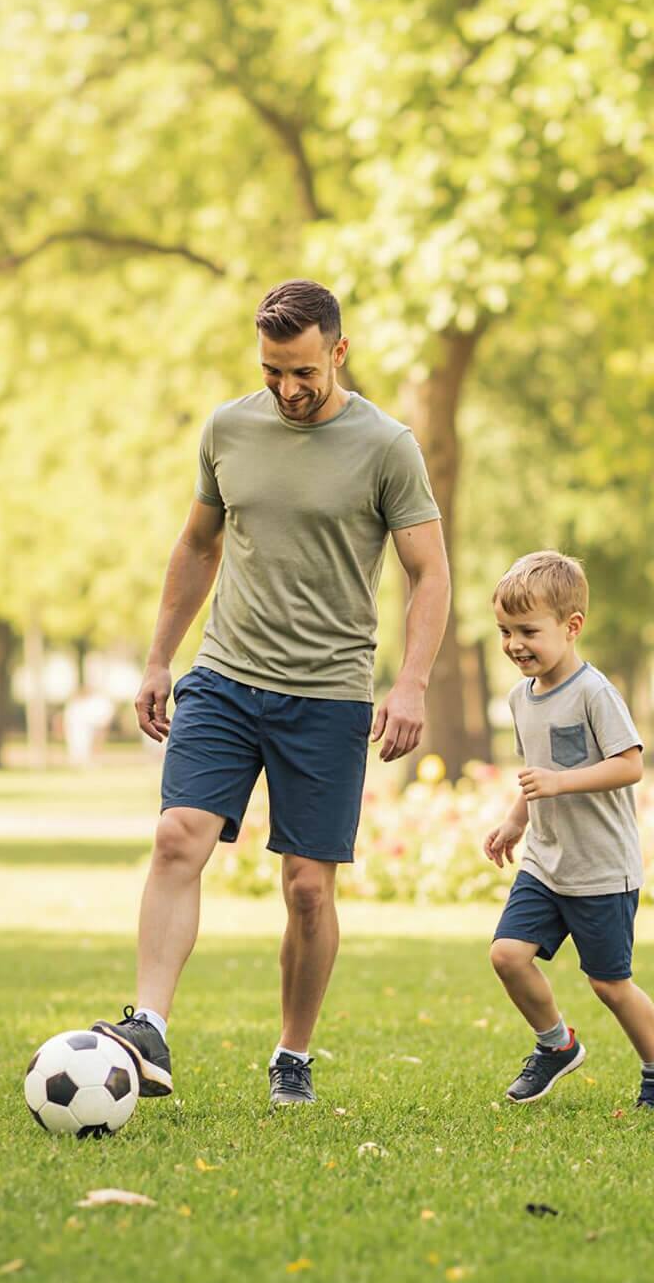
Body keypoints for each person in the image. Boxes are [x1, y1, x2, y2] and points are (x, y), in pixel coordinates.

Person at [92, 279, 451, 1107]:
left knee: (306, 888)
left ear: (338, 351)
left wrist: (411, 683)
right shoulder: (228, 428)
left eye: (303, 373)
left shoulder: (387, 445)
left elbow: (428, 572)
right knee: (178, 837)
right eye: (271, 372)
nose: (288, 390)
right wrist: (158, 660)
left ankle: (293, 1051)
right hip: (225, 676)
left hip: (328, 694)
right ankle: (149, 1026)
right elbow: (196, 545)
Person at [481, 551, 652, 1105]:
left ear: (571, 626)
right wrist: (514, 819)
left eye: (528, 630)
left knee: (608, 984)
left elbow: (630, 764)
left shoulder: (593, 692)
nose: (514, 644)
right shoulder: (518, 697)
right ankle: (555, 1045)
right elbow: (535, 775)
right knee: (507, 954)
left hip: (601, 868)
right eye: (505, 631)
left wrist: (560, 782)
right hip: (546, 863)